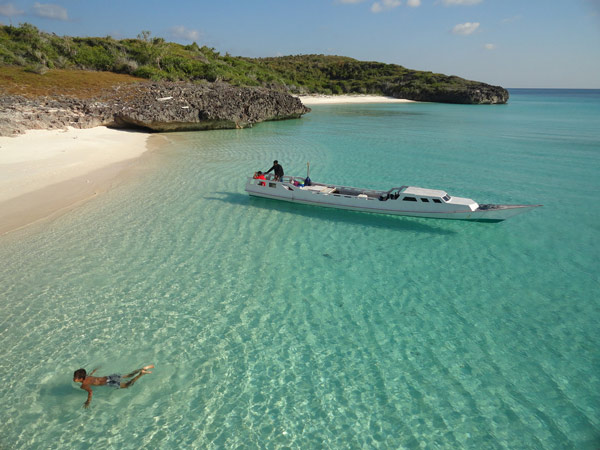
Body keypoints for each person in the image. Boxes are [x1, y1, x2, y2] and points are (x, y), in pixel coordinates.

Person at [73, 364, 154, 408]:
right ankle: (143, 368)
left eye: (75, 378)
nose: (74, 379)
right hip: (109, 377)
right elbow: (91, 375)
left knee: (127, 385)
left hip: (109, 383)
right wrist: (95, 370)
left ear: (80, 378)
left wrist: (88, 402)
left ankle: (141, 374)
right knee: (128, 375)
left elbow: (90, 392)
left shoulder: (84, 385)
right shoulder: (87, 376)